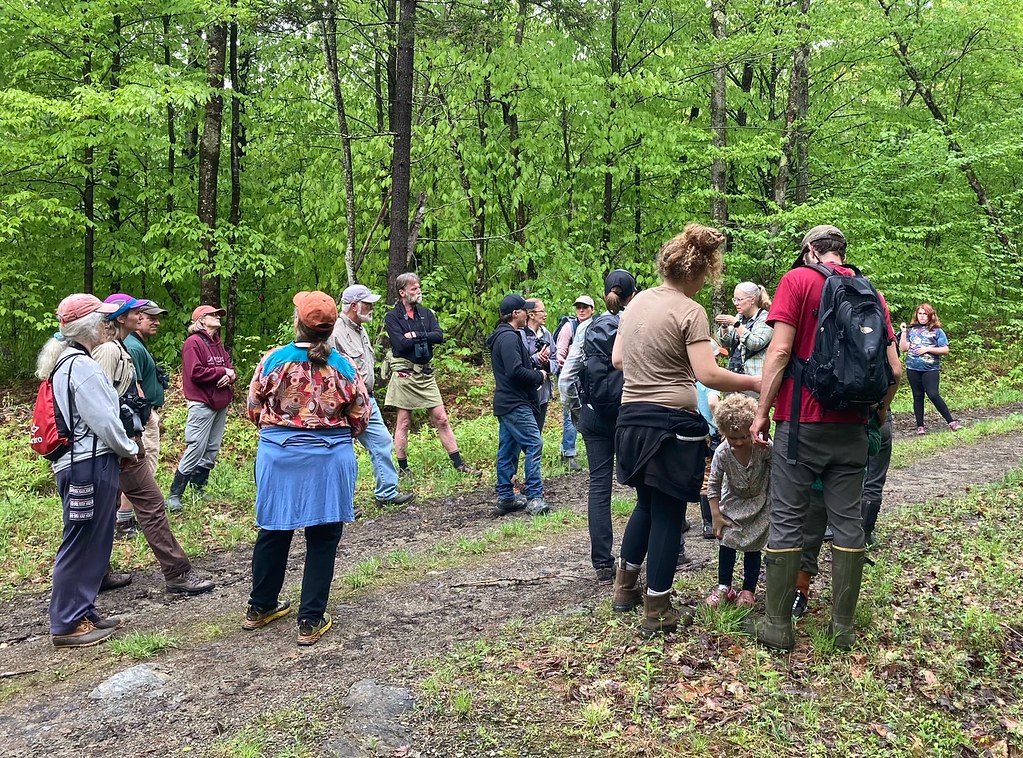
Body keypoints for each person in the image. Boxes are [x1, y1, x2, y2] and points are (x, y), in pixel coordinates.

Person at [750, 224, 901, 651]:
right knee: (848, 523)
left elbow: (779, 352)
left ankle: (777, 627)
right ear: (840, 253)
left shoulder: (796, 281)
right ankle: (843, 630)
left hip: (800, 427)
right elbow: (895, 370)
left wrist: (763, 412)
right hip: (853, 429)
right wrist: (879, 411)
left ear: (811, 251)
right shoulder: (869, 291)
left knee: (787, 520)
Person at [611, 226, 760, 637]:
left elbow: (618, 358)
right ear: (698, 272)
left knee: (645, 504)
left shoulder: (637, 302)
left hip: (631, 420)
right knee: (670, 512)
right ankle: (657, 610)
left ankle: (625, 590)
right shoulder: (689, 310)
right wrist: (755, 384)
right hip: (670, 426)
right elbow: (708, 373)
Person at [244, 291, 371, 646]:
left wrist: (281, 430)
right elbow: (361, 414)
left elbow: (254, 407)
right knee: (324, 534)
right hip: (329, 457)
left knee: (273, 528)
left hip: (279, 455)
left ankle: (260, 607)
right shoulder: (344, 366)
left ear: (298, 322)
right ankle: (310, 619)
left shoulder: (273, 360)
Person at [94, 294, 216, 595]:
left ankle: (99, 572)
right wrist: (124, 443)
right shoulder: (109, 350)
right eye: (136, 311)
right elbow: (101, 402)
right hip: (115, 444)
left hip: (120, 442)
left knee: (116, 505)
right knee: (145, 504)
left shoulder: (121, 346)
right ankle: (176, 573)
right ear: (121, 317)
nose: (143, 315)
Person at [38, 294, 139, 647]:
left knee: (93, 540)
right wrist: (129, 448)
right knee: (82, 541)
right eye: (103, 319)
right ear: (89, 325)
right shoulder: (79, 365)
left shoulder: (66, 361)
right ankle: (66, 623)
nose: (108, 325)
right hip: (88, 465)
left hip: (82, 463)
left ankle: (83, 611)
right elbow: (104, 421)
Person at [561, 271, 636, 582]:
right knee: (647, 484)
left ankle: (603, 563)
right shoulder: (637, 323)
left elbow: (566, 379)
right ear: (634, 292)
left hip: (594, 417)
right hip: (630, 416)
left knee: (599, 486)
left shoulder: (587, 328)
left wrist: (579, 412)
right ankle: (658, 551)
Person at [793, 410, 892, 618]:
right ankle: (836, 610)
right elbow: (875, 443)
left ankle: (810, 598)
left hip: (826, 479)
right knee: (828, 532)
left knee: (819, 534)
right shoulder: (864, 395)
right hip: (834, 479)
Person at [383, 272, 478, 476]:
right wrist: (421, 338)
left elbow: (439, 336)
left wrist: (417, 335)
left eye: (419, 288)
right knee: (404, 421)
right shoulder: (392, 317)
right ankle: (403, 468)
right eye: (414, 289)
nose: (418, 292)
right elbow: (399, 343)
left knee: (441, 418)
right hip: (405, 375)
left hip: (425, 374)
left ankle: (459, 464)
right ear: (402, 292)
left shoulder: (426, 313)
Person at [331, 284, 414, 508]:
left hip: (367, 399)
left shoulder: (361, 329)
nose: (371, 308)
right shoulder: (336, 331)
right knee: (342, 454)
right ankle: (341, 505)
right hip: (344, 403)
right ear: (354, 306)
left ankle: (386, 493)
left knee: (382, 441)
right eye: (367, 304)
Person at [704, 394, 771, 609]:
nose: (740, 442)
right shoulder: (722, 453)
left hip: (760, 504)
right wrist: (716, 515)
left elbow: (779, 474)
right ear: (723, 433)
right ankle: (725, 587)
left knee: (753, 547)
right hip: (732, 504)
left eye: (744, 436)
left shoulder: (764, 447)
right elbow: (713, 484)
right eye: (733, 438)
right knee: (728, 542)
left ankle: (749, 590)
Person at [167, 304, 237, 510]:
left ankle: (199, 489)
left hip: (220, 402)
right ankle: (175, 493)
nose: (217, 317)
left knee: (212, 448)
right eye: (213, 315)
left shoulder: (217, 343)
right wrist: (221, 371)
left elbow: (229, 368)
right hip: (202, 403)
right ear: (201, 320)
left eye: (218, 314)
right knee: (196, 447)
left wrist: (230, 375)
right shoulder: (193, 343)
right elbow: (195, 372)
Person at [486, 295, 550, 516]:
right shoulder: (510, 338)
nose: (527, 314)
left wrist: (532, 361)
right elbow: (515, 372)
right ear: (515, 314)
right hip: (515, 402)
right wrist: (538, 375)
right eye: (524, 310)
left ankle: (506, 496)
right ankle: (534, 496)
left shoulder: (503, 337)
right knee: (534, 443)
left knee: (508, 449)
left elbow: (512, 366)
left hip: (506, 402)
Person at [899, 303, 962, 435]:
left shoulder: (937, 331)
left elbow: (945, 349)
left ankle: (951, 422)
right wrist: (904, 332)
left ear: (930, 316)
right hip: (913, 368)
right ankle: (920, 426)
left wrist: (927, 349)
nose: (922, 317)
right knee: (917, 395)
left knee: (933, 394)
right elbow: (903, 348)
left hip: (930, 368)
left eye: (925, 314)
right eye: (920, 314)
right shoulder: (912, 330)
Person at [126, 300, 170, 475]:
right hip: (142, 414)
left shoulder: (138, 344)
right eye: (152, 318)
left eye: (158, 318)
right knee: (147, 456)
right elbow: (134, 384)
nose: (157, 322)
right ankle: (144, 500)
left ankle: (136, 500)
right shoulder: (133, 347)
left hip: (146, 412)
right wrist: (146, 416)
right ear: (139, 318)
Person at [556, 295, 594, 472]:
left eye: (585, 307)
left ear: (592, 309)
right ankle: (569, 453)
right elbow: (559, 353)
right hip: (571, 377)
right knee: (570, 414)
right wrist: (569, 362)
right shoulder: (568, 327)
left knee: (588, 413)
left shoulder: (596, 326)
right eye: (578, 307)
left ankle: (587, 450)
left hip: (587, 379)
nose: (581, 310)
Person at [714, 281, 773, 385]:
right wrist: (724, 326)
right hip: (735, 375)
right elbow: (725, 343)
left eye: (739, 299)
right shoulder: (739, 317)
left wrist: (736, 324)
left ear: (752, 300)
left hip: (755, 379)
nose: (736, 303)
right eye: (734, 299)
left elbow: (755, 344)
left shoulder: (766, 319)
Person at [520, 298, 558, 430]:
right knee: (528, 436)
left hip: (543, 394)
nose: (545, 314)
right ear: (531, 315)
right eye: (542, 311)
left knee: (537, 433)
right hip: (524, 393)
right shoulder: (520, 334)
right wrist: (536, 358)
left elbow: (556, 362)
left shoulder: (546, 334)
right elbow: (518, 364)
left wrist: (546, 363)